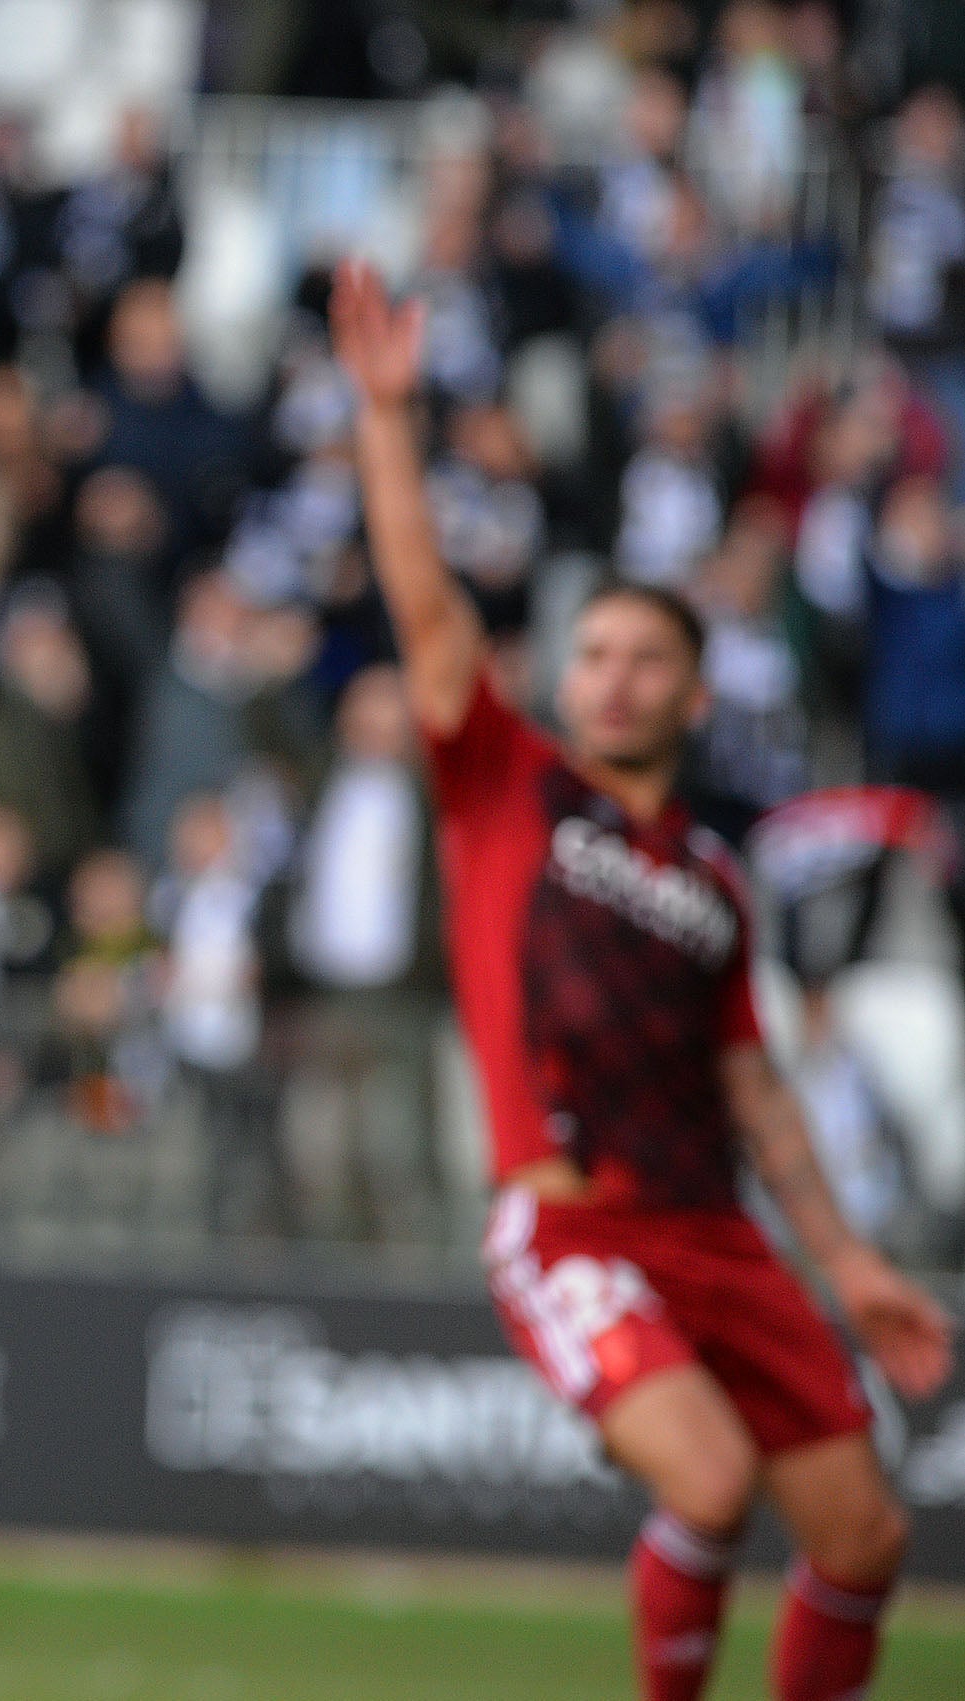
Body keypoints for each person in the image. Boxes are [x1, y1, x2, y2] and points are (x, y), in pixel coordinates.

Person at [331, 258, 953, 1701]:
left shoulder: (716, 882)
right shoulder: (508, 788)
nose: (606, 675)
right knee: (713, 1479)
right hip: (573, 1228)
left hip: (719, 1235)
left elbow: (755, 1090)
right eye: (591, 651)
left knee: (862, 1535)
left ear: (691, 692)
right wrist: (383, 420)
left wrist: (849, 1260)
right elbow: (429, 617)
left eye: (641, 658)